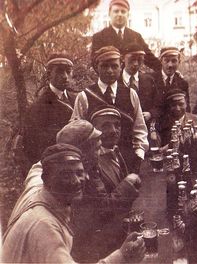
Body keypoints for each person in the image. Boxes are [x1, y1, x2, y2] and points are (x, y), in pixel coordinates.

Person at [2, 143, 145, 263]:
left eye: (79, 172)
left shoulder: (37, 187)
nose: (76, 181)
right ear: (46, 179)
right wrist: (121, 256)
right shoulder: (44, 226)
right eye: (65, 174)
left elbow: (37, 167)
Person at [71, 46, 148, 174]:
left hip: (127, 161)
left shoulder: (130, 94)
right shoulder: (85, 96)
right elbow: (76, 133)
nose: (110, 71)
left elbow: (140, 129)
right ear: (97, 67)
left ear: (121, 66)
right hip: (97, 164)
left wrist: (139, 156)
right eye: (105, 66)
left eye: (114, 66)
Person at [23, 53, 75, 163]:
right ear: (48, 75)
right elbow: (33, 147)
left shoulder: (77, 99)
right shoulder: (38, 107)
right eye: (60, 71)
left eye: (68, 71)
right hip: (55, 163)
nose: (65, 76)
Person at [91, 0, 161, 71]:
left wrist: (163, 70)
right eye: (116, 11)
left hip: (131, 80)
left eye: (123, 12)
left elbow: (149, 58)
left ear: (128, 15)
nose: (120, 14)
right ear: (109, 13)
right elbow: (95, 62)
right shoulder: (99, 36)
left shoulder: (136, 36)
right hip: (110, 79)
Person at [120, 43, 162, 128]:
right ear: (123, 58)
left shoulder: (149, 80)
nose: (135, 64)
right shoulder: (116, 81)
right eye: (132, 59)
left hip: (145, 129)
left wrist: (150, 114)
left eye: (139, 60)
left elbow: (159, 106)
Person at [152, 47, 190, 112]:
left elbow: (186, 108)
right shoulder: (151, 79)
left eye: (174, 61)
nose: (170, 65)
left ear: (179, 62)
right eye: (166, 61)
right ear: (161, 61)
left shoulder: (182, 83)